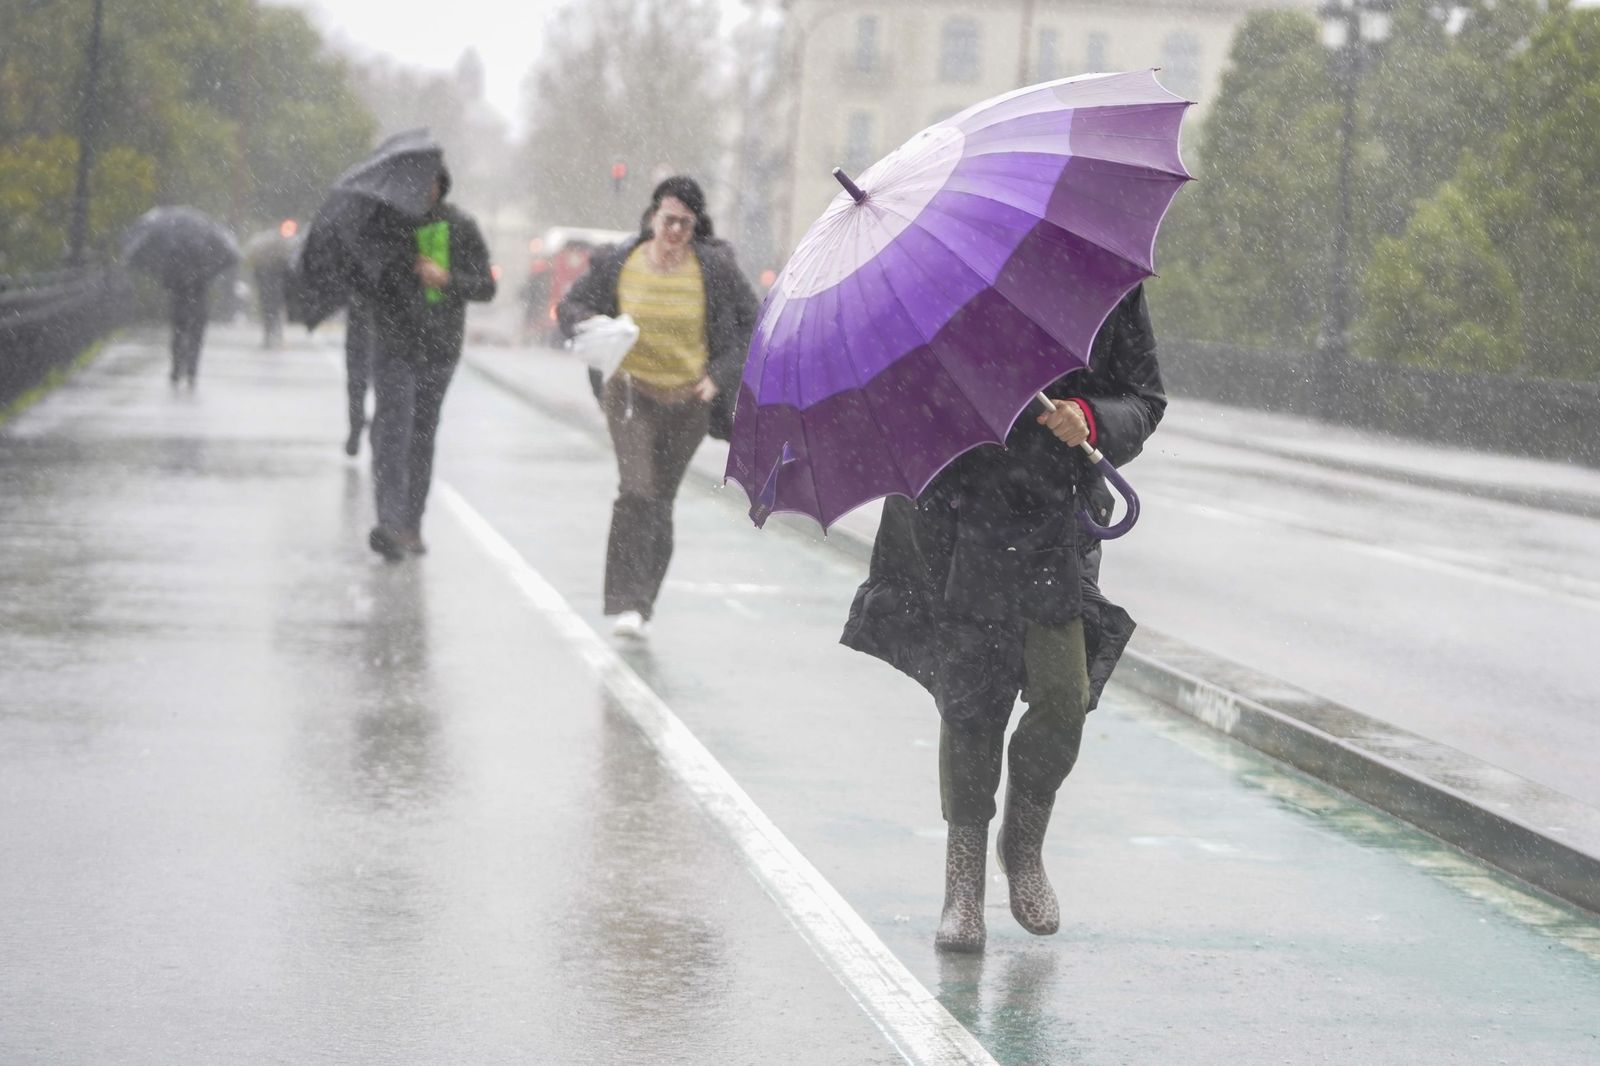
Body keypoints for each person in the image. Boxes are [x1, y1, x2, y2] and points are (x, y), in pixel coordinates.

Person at [840, 286, 1166, 953]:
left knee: (1064, 696)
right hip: (959, 517)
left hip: (1054, 521)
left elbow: (1144, 399)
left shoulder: (1099, 284)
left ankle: (1022, 844)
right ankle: (963, 886)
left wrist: (1089, 417)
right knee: (971, 700)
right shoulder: (932, 290)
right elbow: (894, 403)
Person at [558, 177, 759, 639]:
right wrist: (594, 321)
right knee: (636, 490)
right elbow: (571, 305)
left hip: (689, 403)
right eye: (669, 221)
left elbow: (753, 323)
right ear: (652, 217)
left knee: (661, 500)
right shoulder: (620, 261)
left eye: (686, 224)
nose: (675, 232)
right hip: (629, 393)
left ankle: (642, 605)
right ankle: (625, 600)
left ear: (695, 226)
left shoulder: (714, 269)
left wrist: (719, 375)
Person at [363, 166, 496, 561]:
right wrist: (393, 266)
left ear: (441, 184)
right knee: (392, 432)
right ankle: (389, 523)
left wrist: (446, 279)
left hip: (439, 348)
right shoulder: (385, 225)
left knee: (421, 435)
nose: (421, 187)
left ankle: (411, 525)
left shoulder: (460, 226)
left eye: (428, 181)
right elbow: (366, 282)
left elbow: (486, 287)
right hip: (393, 345)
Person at [167, 271, 212, 386]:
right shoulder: (204, 267)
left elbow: (167, 284)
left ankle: (177, 368)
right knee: (195, 341)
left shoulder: (174, 267)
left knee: (178, 338)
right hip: (197, 310)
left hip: (180, 309)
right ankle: (191, 370)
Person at [344, 294, 373, 456]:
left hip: (364, 322)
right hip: (375, 323)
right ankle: (358, 422)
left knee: (356, 381)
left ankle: (357, 422)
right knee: (358, 380)